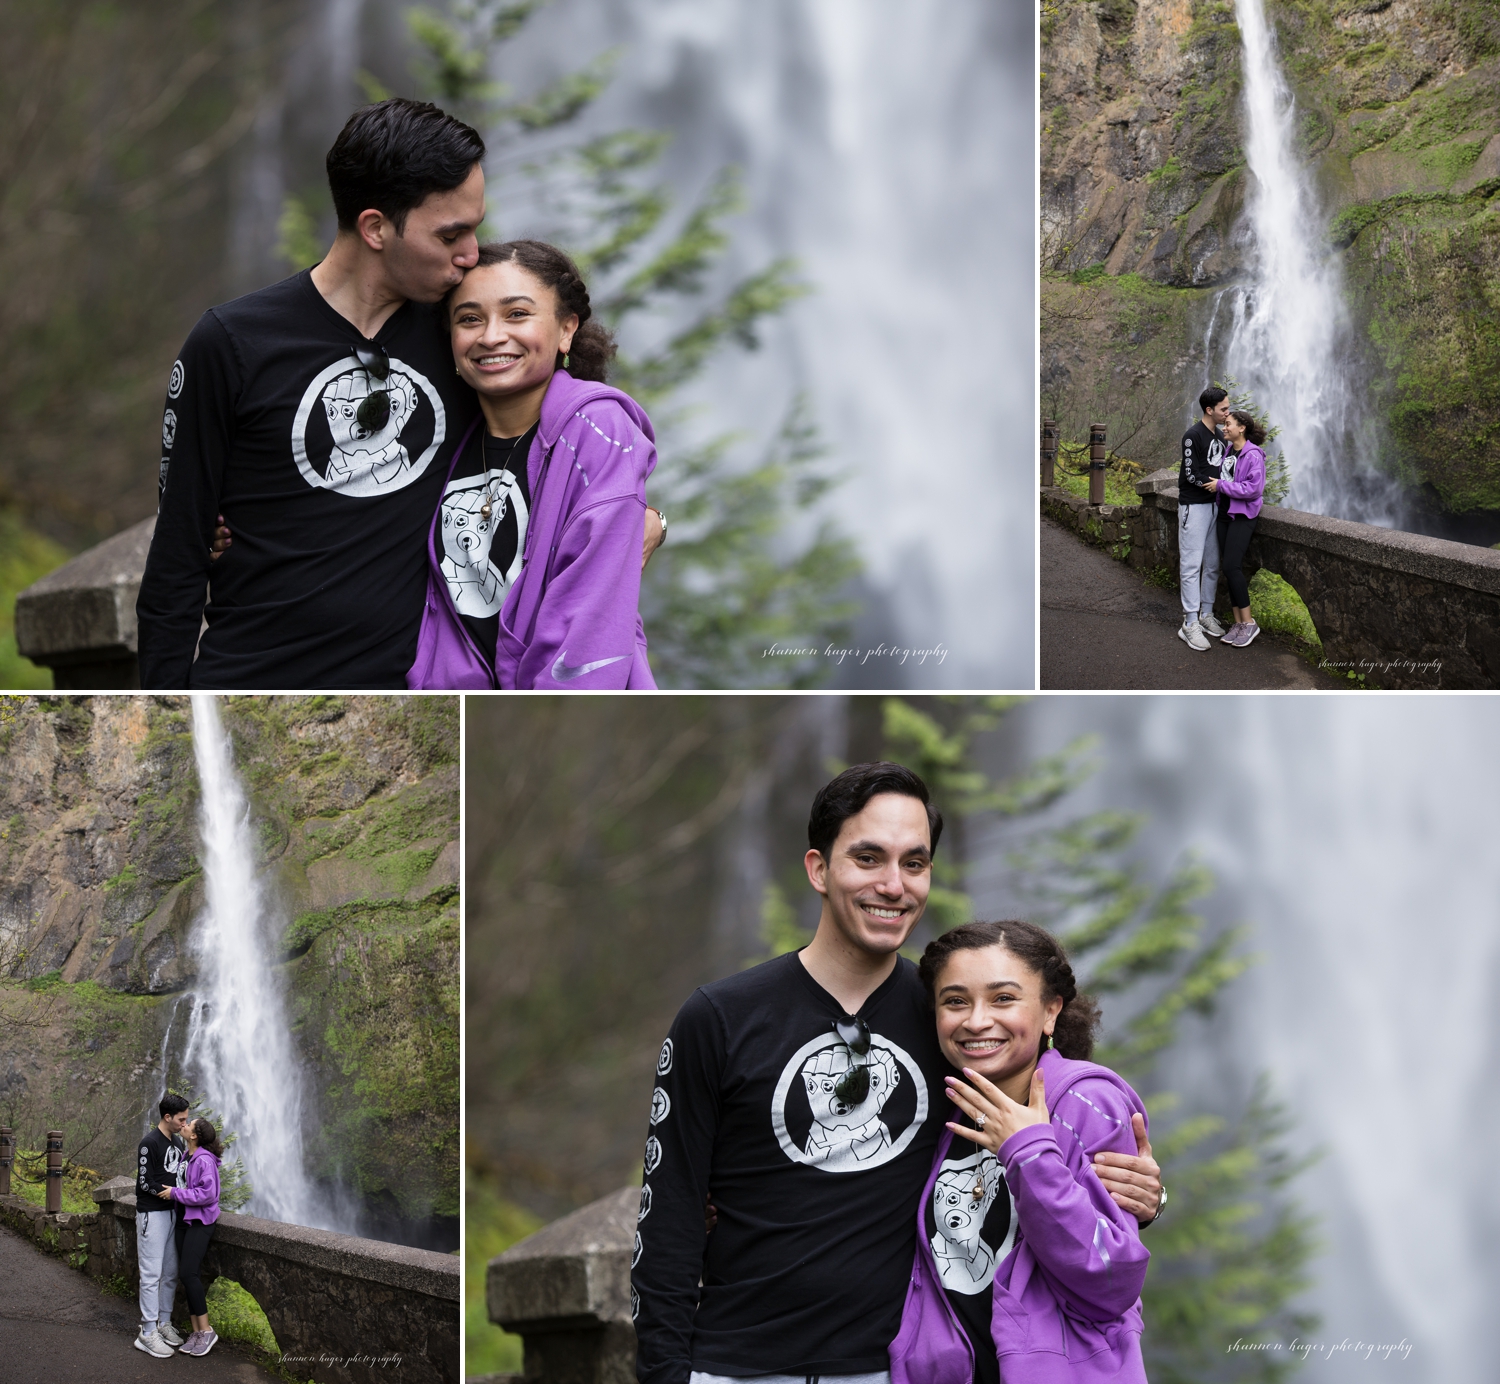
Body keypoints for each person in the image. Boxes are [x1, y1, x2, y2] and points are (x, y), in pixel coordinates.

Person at [630, 763, 1163, 1384]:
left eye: (914, 863)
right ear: (818, 868)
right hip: (735, 1365)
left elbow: (1054, 1130)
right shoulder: (719, 1018)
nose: (894, 885)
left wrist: (1141, 1194)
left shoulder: (954, 1025)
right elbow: (666, 1223)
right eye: (868, 858)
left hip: (893, 1368)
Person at [137, 96, 663, 689]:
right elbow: (176, 563)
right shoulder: (232, 344)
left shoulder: (461, 338)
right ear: (376, 228)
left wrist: (636, 516)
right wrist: (160, 709)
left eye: (475, 228)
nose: (470, 254)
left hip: (412, 695)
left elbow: (560, 440)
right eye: (451, 234)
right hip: (254, 681)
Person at [890, 921, 1150, 1384]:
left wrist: (1027, 1151)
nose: (975, 1020)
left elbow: (1109, 1280)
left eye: (1003, 998)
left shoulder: (1085, 1102)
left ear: (1051, 1011)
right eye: (954, 1001)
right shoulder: (951, 1110)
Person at [407, 240, 656, 688]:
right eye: (469, 319)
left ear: (566, 329)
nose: (490, 336)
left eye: (517, 314)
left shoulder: (597, 430)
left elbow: (589, 625)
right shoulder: (446, 443)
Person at [156, 1116, 225, 1358]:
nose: (183, 1126)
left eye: (188, 1125)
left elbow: (208, 1194)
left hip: (200, 1222)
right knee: (187, 1275)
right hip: (185, 1221)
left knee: (189, 1273)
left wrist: (175, 1193)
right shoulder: (188, 1157)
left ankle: (206, 1331)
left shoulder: (204, 1159)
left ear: (194, 1135)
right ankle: (196, 1332)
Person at [1205, 410, 1267, 647]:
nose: (1225, 427)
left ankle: (1249, 623)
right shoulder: (1230, 451)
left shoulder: (1253, 455)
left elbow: (1253, 489)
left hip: (1242, 515)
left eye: (1228, 424)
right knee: (1228, 569)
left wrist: (1220, 485)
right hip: (1225, 515)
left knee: (1232, 566)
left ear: (1241, 428)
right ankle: (1238, 623)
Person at [134, 1093, 190, 1358]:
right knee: (151, 1274)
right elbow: (144, 1182)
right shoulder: (149, 1143)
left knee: (169, 1272)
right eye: (181, 1119)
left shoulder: (178, 1142)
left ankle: (163, 1323)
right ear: (167, 1117)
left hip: (172, 1215)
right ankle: (146, 1332)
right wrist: (168, 1192)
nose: (184, 1124)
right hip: (152, 1215)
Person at [1177, 386, 1231, 652]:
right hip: (1194, 507)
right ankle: (1189, 623)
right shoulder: (1192, 436)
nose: (1227, 413)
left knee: (1211, 564)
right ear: (1209, 410)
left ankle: (1205, 614)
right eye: (1223, 409)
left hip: (1214, 507)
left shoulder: (1221, 437)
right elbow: (1190, 473)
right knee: (1191, 565)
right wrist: (1213, 485)